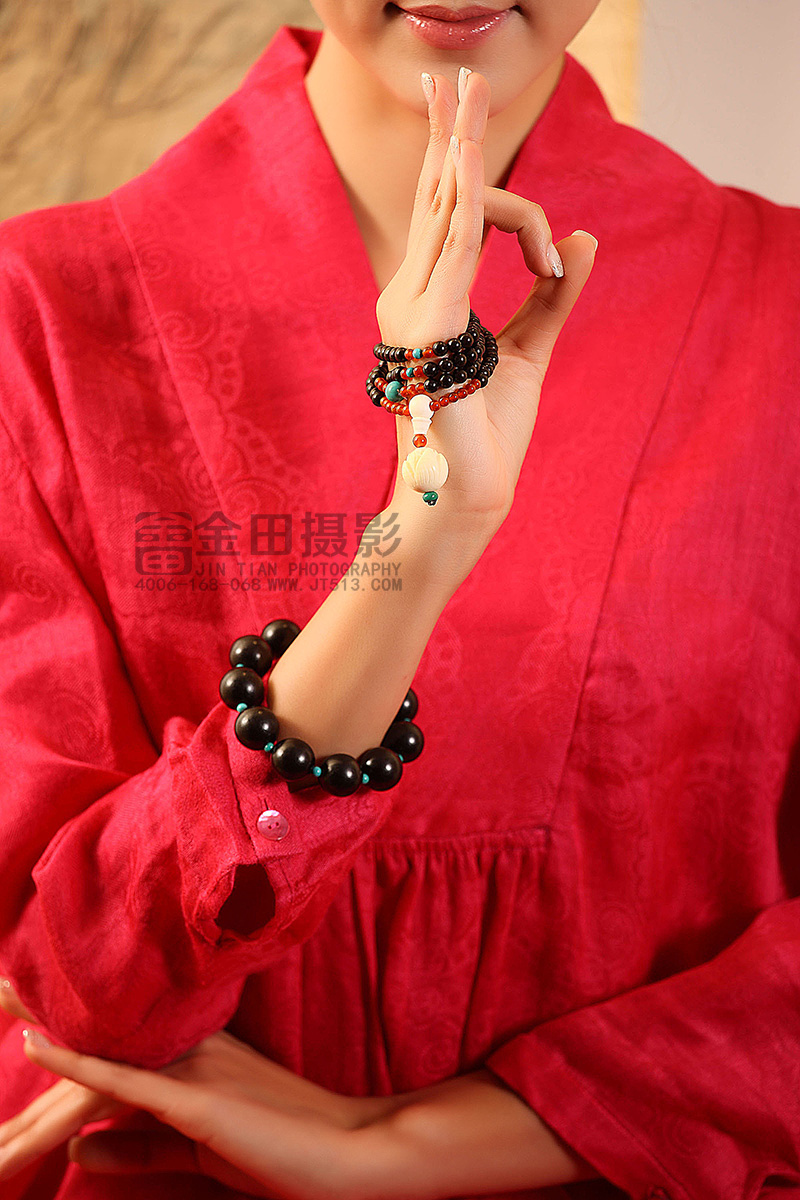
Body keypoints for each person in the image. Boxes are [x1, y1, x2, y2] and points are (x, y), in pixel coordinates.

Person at [0, 2, 799, 1197]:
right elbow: (76, 984)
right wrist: (418, 542)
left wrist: (407, 1145)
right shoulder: (42, 313)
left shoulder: (777, 307)